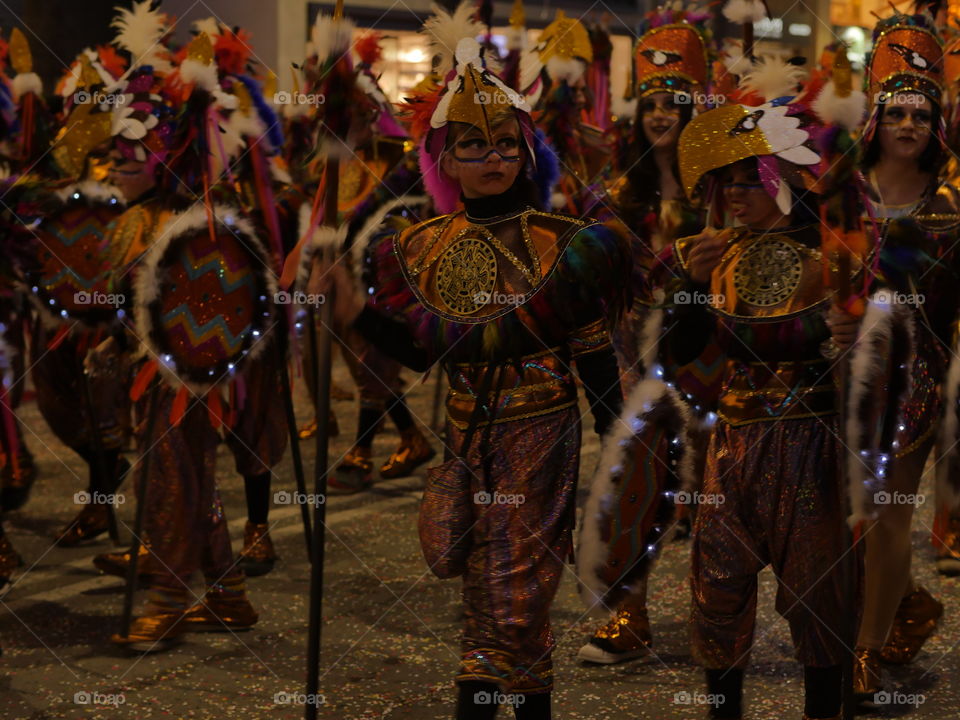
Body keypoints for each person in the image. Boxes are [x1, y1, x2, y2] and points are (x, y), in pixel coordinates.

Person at [307, 37, 629, 719]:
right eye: (476, 147)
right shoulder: (422, 247)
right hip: (464, 434)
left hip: (542, 429)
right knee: (484, 580)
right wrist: (353, 311)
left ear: (528, 152)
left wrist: (618, 440)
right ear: (445, 159)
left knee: (512, 585)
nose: (495, 159)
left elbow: (593, 348)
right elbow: (424, 351)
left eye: (508, 146)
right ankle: (522, 694)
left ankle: (478, 699)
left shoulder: (562, 242)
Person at [662, 50, 883, 719]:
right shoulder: (712, 255)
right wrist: (692, 288)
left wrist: (847, 339)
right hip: (728, 448)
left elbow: (870, 376)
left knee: (819, 603)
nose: (732, 193)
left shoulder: (831, 261)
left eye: (747, 179)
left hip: (810, 450)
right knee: (716, 594)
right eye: (723, 180)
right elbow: (679, 357)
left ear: (782, 176)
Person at [852, 11, 955, 699]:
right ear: (877, 118)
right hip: (839, 379)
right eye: (897, 112)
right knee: (849, 516)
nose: (909, 125)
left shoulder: (953, 201)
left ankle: (863, 651)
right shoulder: (838, 192)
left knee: (889, 512)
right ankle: (901, 605)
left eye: (922, 113)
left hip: (917, 380)